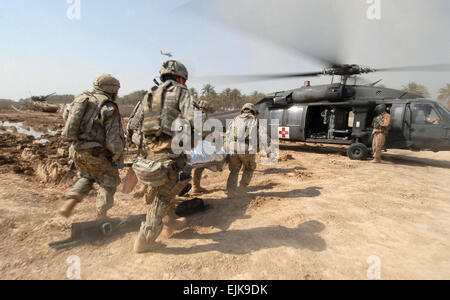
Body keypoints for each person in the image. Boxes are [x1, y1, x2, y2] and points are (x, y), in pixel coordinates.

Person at [127, 60, 199, 253]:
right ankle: (145, 239)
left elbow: (133, 126)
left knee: (163, 186)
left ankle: (171, 221)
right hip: (169, 154)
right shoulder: (181, 92)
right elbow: (195, 119)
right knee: (166, 193)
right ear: (181, 78)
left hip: (148, 154)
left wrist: (146, 144)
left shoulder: (148, 95)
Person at [59, 74, 125, 219]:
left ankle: (70, 201)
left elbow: (67, 119)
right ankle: (101, 216)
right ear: (112, 90)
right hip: (95, 152)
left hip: (76, 149)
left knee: (87, 176)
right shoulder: (108, 106)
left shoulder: (80, 100)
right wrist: (116, 157)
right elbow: (114, 138)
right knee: (110, 180)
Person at [226, 103, 259, 196]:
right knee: (249, 168)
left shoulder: (235, 119)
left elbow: (228, 134)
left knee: (234, 171)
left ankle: (230, 192)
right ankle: (242, 190)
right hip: (245, 147)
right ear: (253, 111)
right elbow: (254, 135)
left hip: (233, 147)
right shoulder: (253, 119)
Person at [192, 100, 210, 194]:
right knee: (200, 165)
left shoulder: (192, 114)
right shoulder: (202, 115)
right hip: (198, 143)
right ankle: (195, 187)